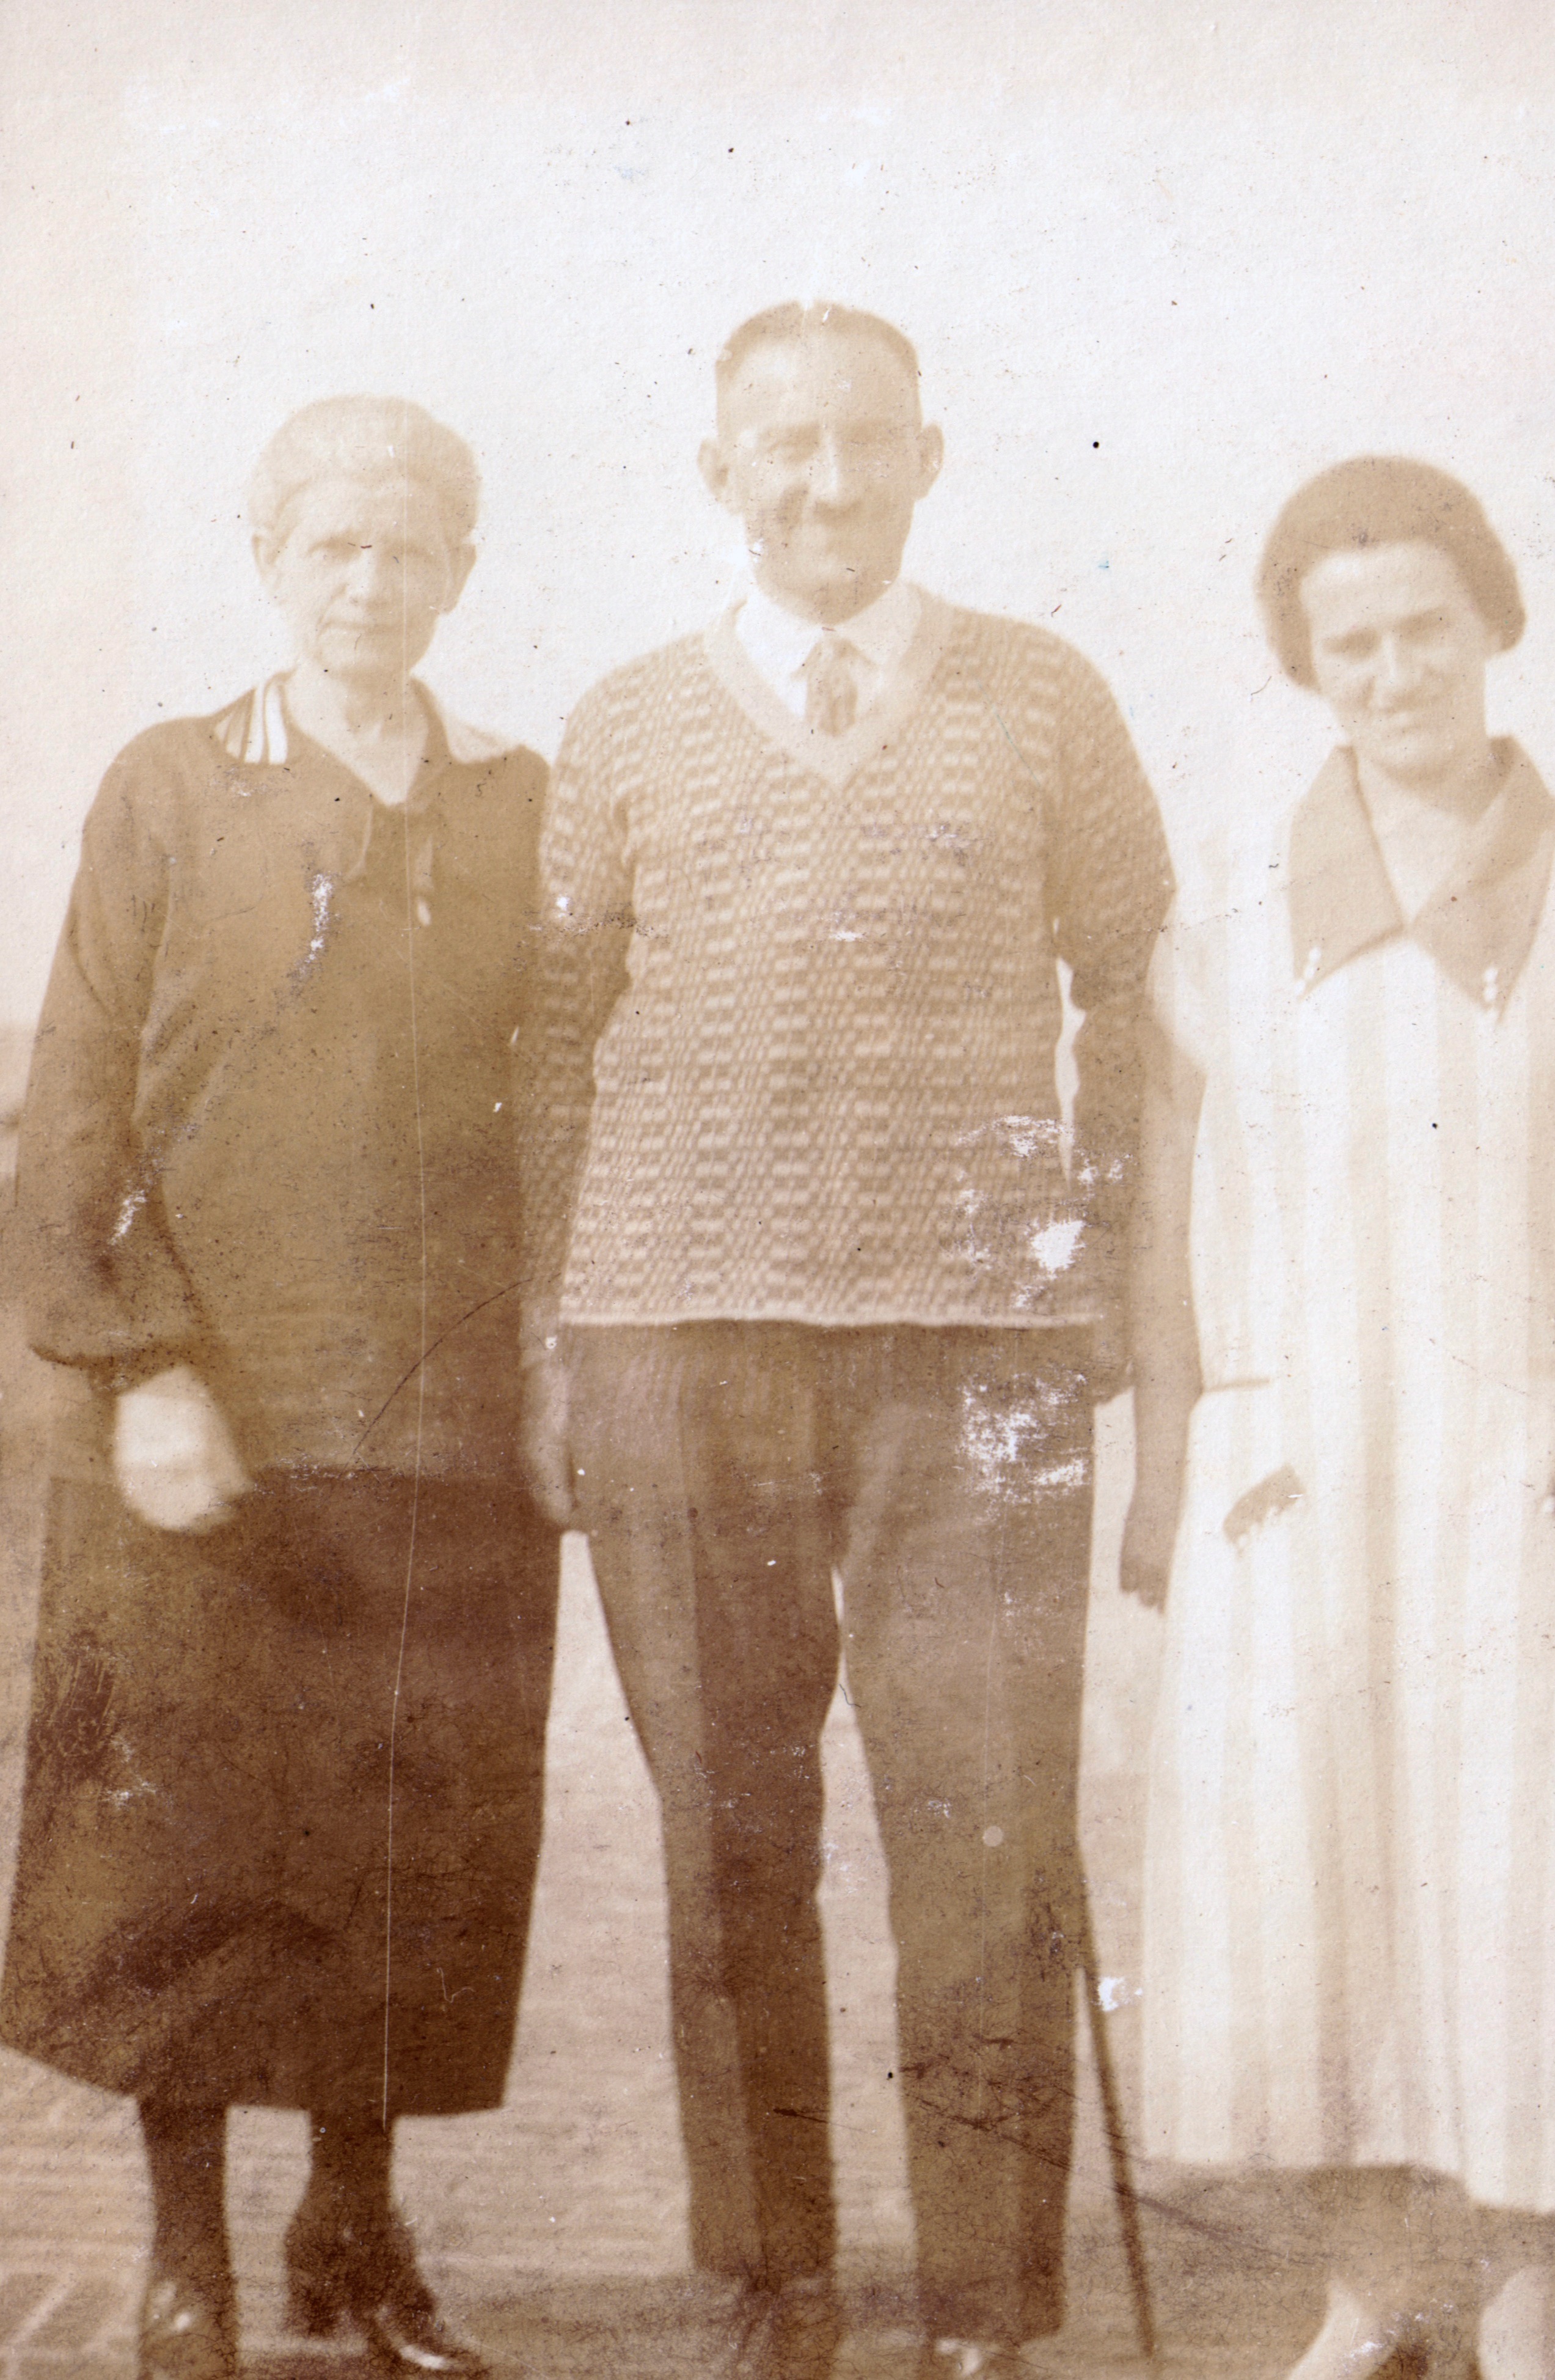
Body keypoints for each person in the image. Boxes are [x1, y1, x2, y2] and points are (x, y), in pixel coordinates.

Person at [519, 300, 1173, 2379]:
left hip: (980, 1354)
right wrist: (550, 1339)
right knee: (729, 1835)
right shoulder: (625, 721)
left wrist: (1090, 1266)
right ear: (719, 472)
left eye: (864, 441)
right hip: (674, 1339)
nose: (825, 483)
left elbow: (1132, 999)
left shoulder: (1046, 696)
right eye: (781, 447)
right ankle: (771, 2282)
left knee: (987, 1829)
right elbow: (551, 1043)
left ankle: (985, 2304)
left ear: (927, 457)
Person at [1, 397, 559, 2380]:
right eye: (333, 546)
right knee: (186, 1859)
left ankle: (353, 2225)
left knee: (405, 1845)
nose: (369, 583)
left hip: (442, 1420)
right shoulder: (172, 784)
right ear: (270, 564)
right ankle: (187, 2257)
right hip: (207, 1420)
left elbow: (559, 1100)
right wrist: (138, 1364)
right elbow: (76, 1100)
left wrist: (548, 1370)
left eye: (409, 548)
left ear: (460, 572)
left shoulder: (520, 802)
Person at [1125, 455, 1555, 2379]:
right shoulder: (1231, 903)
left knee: (1532, 1896)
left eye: (1424, 628)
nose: (1391, 673)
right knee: (1310, 1901)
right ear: (1306, 664)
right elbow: (1166, 1199)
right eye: (1346, 643)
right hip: (1296, 1476)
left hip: (1532, 1472)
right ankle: (1372, 2294)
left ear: (1493, 622)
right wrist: (1170, 1467)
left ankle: (1526, 2310)